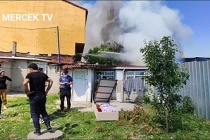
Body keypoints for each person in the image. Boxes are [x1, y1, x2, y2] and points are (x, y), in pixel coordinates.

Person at [23, 63, 53, 135]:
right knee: (43, 111)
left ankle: (37, 130)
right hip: (42, 95)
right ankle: (48, 125)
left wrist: (27, 92)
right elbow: (51, 81)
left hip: (34, 95)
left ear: (31, 69)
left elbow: (24, 83)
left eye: (29, 69)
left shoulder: (30, 75)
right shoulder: (43, 74)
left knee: (34, 113)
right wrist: (47, 90)